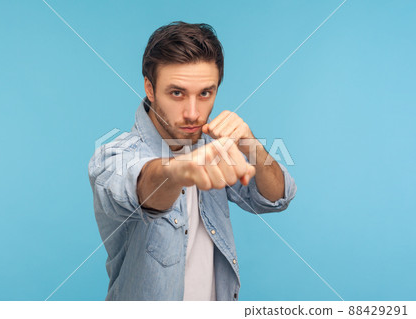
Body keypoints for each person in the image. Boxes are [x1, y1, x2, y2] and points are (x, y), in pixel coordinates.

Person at [88, 21, 297, 301]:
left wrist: (251, 144)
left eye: (205, 94)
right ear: (150, 89)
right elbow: (141, 185)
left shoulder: (213, 149)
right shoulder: (114, 156)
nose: (192, 113)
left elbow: (276, 198)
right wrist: (180, 171)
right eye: (177, 93)